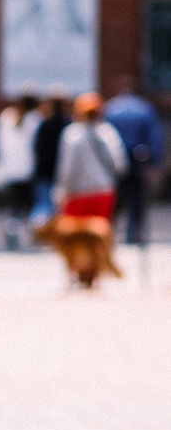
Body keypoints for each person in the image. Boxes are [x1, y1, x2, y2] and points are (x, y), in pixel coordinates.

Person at [39, 92, 129, 288]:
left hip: (77, 194)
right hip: (102, 192)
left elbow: (66, 168)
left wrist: (61, 191)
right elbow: (120, 164)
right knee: (97, 236)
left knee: (73, 238)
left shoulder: (72, 134)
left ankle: (76, 273)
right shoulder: (107, 132)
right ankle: (94, 274)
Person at [102, 76, 164, 247]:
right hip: (138, 158)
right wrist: (155, 161)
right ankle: (135, 231)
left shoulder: (110, 108)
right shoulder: (144, 108)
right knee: (137, 197)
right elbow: (154, 137)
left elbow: (103, 135)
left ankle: (110, 231)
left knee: (117, 196)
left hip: (115, 157)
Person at [0, 92, 42, 250]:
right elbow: (36, 145)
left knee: (14, 203)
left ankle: (12, 228)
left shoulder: (6, 117)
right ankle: (25, 231)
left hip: (9, 169)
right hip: (27, 169)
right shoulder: (34, 119)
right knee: (27, 203)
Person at [31, 93, 72, 227]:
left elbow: (36, 148)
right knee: (60, 207)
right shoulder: (68, 124)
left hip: (44, 170)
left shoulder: (44, 125)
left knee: (43, 205)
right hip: (61, 171)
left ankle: (40, 233)